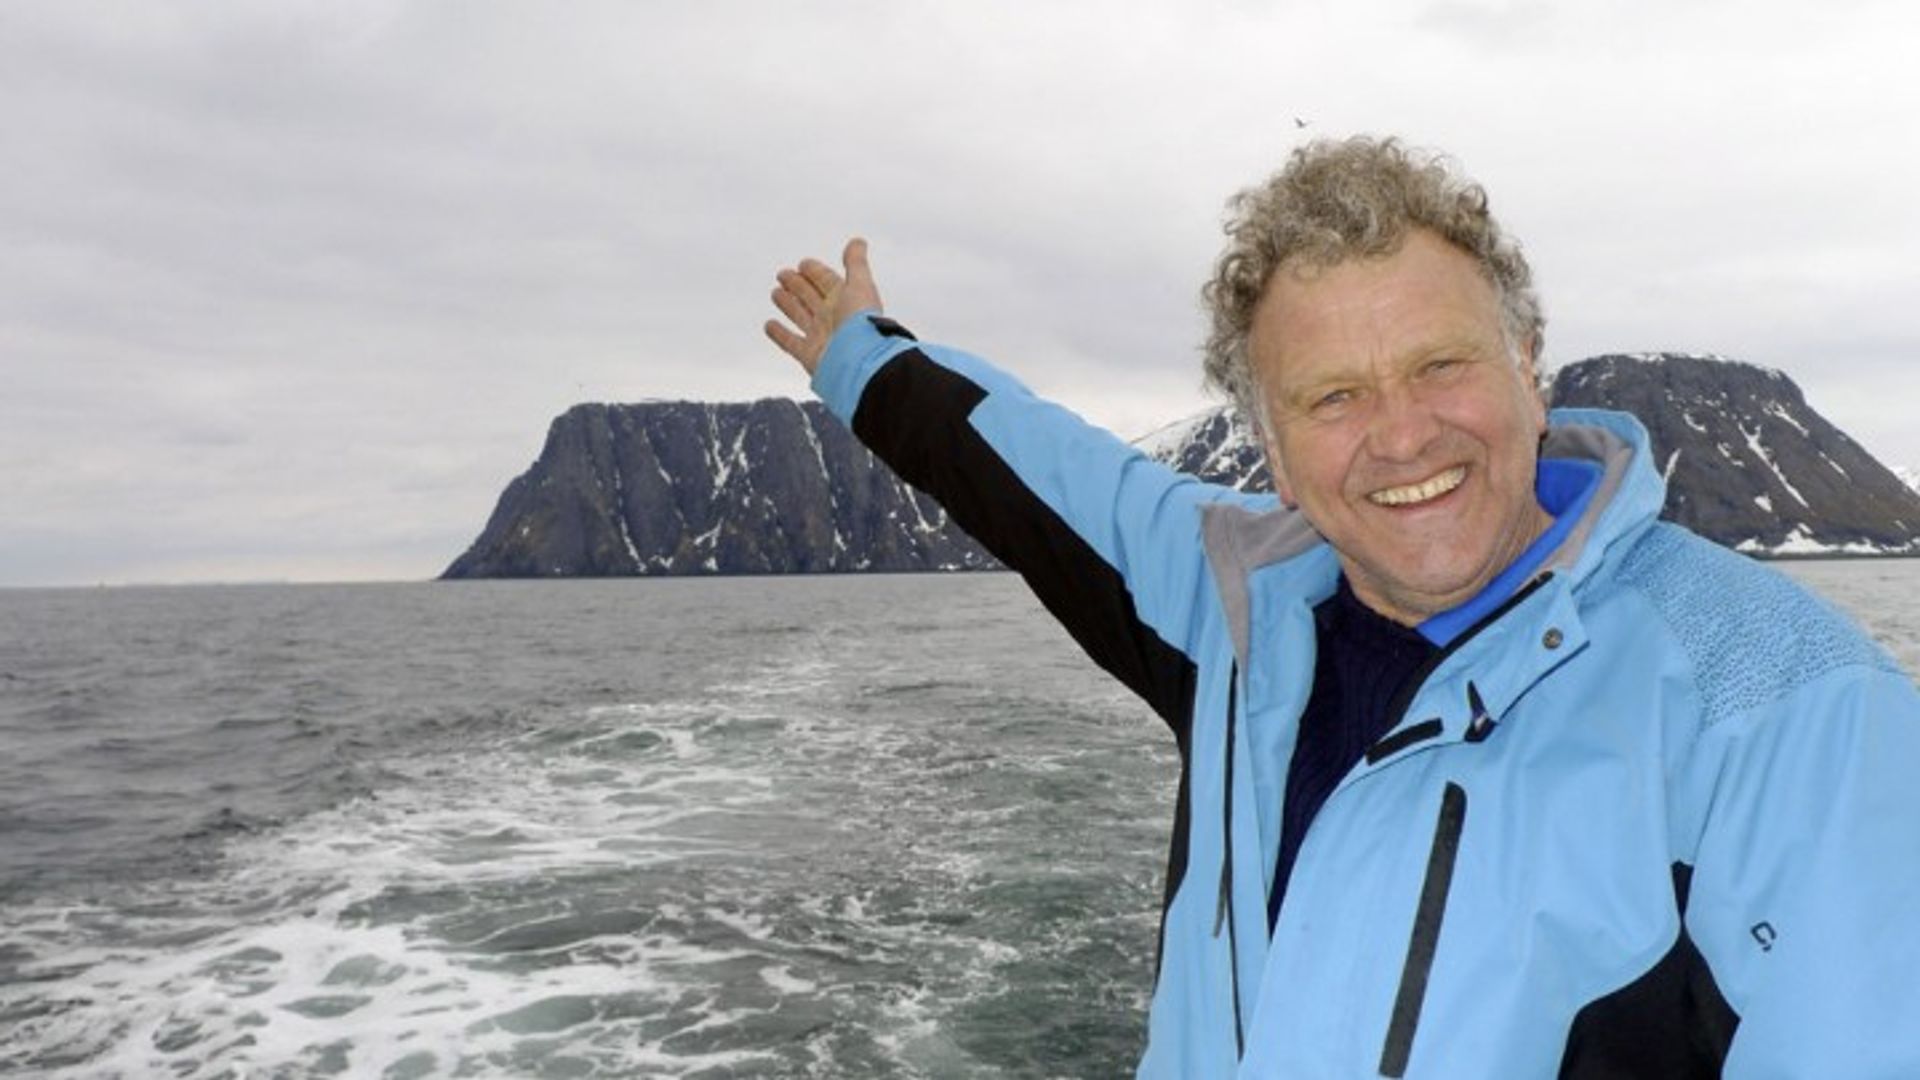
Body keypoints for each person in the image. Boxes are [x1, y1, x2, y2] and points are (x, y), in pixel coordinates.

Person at [763, 136, 1920, 1078]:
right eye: (1333, 397)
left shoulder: (1787, 708)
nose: (1403, 434)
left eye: (1441, 365)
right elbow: (1029, 468)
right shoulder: (1231, 603)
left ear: (1530, 369)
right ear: (1269, 448)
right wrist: (861, 358)